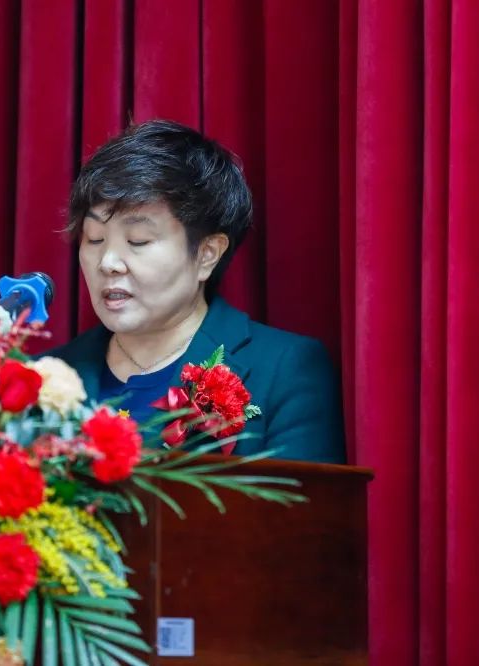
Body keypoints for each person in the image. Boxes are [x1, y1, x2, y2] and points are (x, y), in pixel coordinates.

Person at [47, 120, 345, 463]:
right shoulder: (44, 376)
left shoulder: (285, 370)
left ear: (207, 255)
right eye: (95, 239)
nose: (108, 262)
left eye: (138, 241)